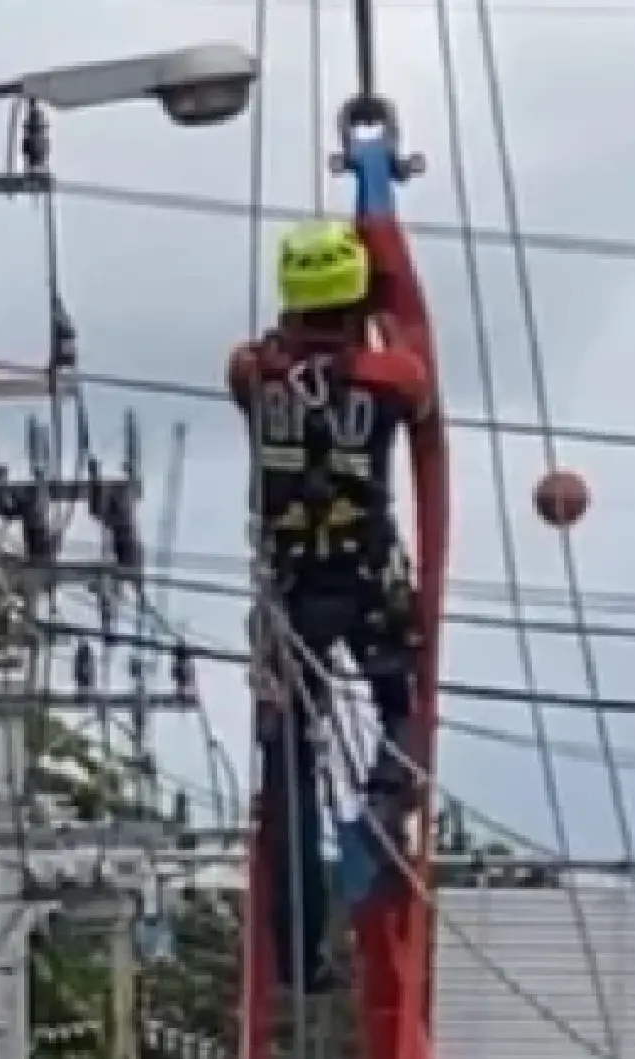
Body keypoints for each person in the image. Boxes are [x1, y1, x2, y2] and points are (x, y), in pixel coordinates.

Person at [227, 217, 434, 986]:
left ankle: (300, 951)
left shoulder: (252, 373)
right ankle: (385, 798)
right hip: (365, 580)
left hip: (290, 595)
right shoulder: (387, 382)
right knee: (404, 700)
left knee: (288, 775)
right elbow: (415, 381)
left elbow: (254, 363)